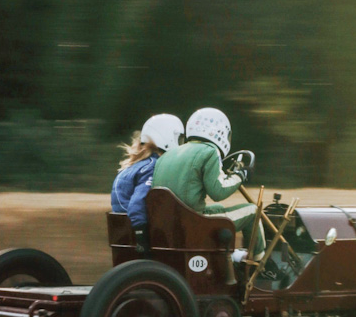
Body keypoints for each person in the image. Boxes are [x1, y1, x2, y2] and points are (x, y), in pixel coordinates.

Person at [152, 107, 265, 262]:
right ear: (220, 132)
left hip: (169, 223)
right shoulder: (210, 151)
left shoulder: (167, 155)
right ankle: (261, 262)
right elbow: (218, 192)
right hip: (193, 223)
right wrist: (240, 176)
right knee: (252, 211)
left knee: (218, 210)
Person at [111, 113, 184, 254]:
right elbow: (137, 204)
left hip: (124, 231)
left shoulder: (136, 165)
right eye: (179, 138)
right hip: (137, 232)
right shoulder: (152, 166)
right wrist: (142, 239)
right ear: (168, 138)